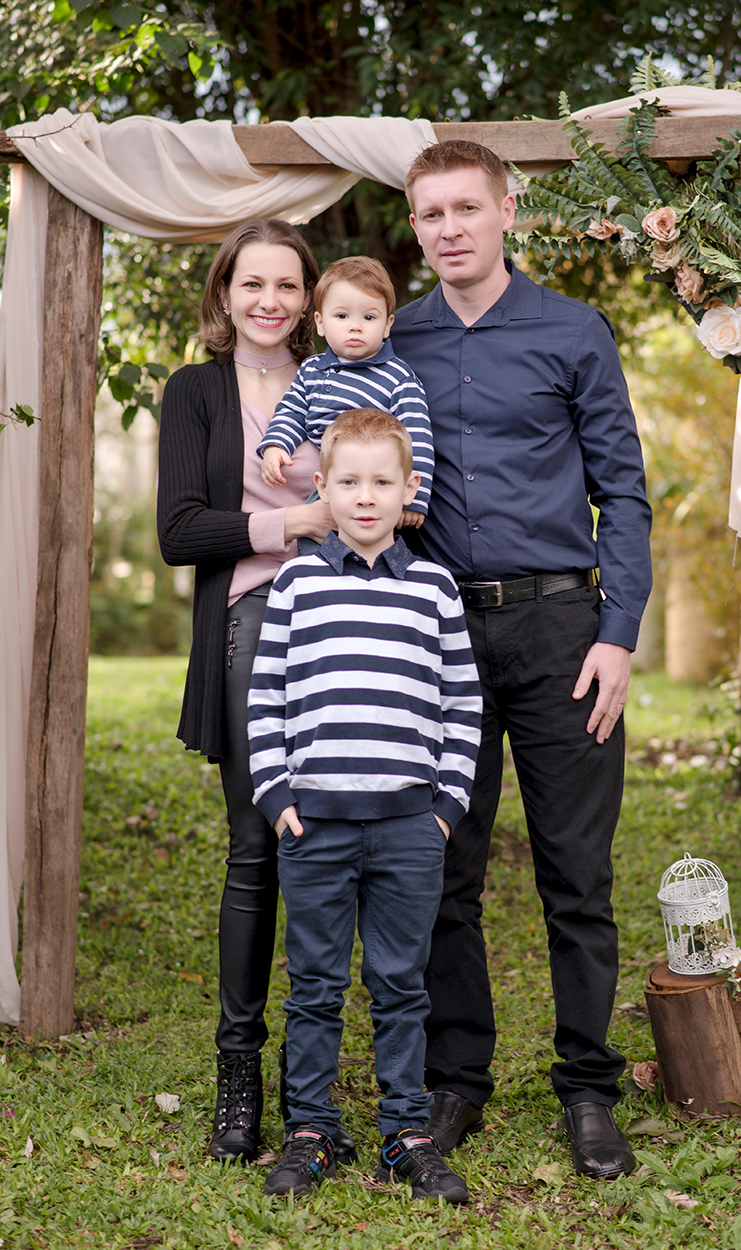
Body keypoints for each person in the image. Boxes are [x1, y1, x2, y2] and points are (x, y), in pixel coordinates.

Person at [390, 140, 653, 1181]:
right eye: (427, 214)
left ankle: (588, 1086)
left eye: (464, 207)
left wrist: (617, 632)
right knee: (441, 866)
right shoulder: (390, 338)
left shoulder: (572, 331)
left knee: (574, 872)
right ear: (414, 228)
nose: (447, 228)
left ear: (507, 211)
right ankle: (455, 1076)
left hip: (559, 632)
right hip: (435, 634)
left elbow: (622, 492)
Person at [157, 217, 354, 1167]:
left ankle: (317, 1084)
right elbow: (181, 530)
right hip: (253, 617)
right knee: (257, 842)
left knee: (336, 839)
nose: (269, 302)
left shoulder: (343, 382)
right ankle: (241, 1072)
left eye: (287, 286)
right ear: (224, 295)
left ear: (310, 298)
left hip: (351, 624)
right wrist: (302, 520)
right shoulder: (194, 391)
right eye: (251, 285)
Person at [247, 408, 483, 1201]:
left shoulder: (435, 587)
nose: (366, 496)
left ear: (410, 489)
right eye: (349, 481)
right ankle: (312, 1129)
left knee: (401, 983)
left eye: (383, 481)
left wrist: (445, 807)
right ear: (324, 487)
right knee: (314, 982)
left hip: (409, 826)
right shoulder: (297, 582)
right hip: (315, 823)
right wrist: (276, 792)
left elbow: (462, 704)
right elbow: (267, 697)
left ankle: (406, 1132)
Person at [258, 256, 433, 530]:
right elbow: (291, 411)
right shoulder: (312, 370)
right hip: (326, 488)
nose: (355, 325)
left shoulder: (398, 379)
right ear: (320, 322)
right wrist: (276, 444)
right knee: (313, 540)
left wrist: (414, 500)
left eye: (369, 317)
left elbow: (418, 441)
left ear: (387, 325)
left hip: (374, 489)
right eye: (341, 316)